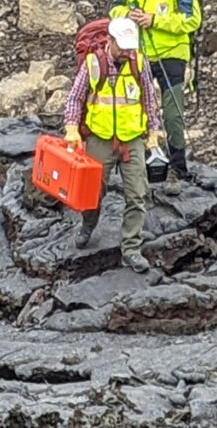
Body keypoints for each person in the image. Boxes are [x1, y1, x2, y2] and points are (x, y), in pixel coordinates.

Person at [62, 16, 165, 271]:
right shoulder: (93, 64)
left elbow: (149, 100)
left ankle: (131, 248)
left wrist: (154, 132)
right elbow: (75, 98)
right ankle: (88, 225)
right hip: (101, 139)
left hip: (132, 140)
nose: (126, 52)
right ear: (110, 40)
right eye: (122, 47)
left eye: (130, 47)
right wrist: (72, 128)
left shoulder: (138, 63)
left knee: (137, 194)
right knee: (93, 193)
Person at [109, 0, 202, 180]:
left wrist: (155, 20)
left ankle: (177, 168)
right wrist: (127, 15)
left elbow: (192, 19)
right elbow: (114, 10)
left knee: (172, 114)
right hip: (138, 54)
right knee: (132, 108)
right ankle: (134, 162)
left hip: (173, 54)